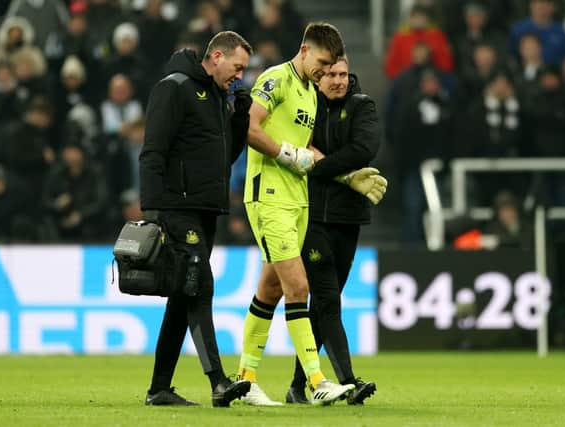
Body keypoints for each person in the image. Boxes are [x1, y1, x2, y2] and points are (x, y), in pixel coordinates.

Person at [237, 22, 385, 406]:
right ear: (304, 50)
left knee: (269, 290)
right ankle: (317, 381)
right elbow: (248, 128)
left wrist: (350, 177)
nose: (325, 71)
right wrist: (284, 153)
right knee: (299, 287)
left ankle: (245, 378)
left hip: (298, 198)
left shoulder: (308, 92)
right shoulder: (276, 79)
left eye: (333, 66)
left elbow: (309, 153)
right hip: (269, 196)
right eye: (322, 63)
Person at [138, 31, 253, 407]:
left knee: (182, 292)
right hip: (176, 207)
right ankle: (218, 382)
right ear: (216, 56)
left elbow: (225, 158)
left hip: (205, 209)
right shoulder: (175, 87)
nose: (240, 75)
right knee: (200, 285)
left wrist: (241, 118)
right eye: (237, 67)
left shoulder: (220, 97)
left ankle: (159, 389)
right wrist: (152, 209)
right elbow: (152, 149)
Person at [283, 56, 380, 405]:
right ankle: (348, 381)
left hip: (348, 219)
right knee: (327, 299)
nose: (338, 80)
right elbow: (291, 148)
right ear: (319, 76)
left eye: (343, 74)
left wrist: (319, 163)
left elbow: (363, 150)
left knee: (323, 306)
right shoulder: (304, 104)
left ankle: (298, 386)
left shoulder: (362, 106)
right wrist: (338, 169)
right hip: (309, 216)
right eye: (331, 75)